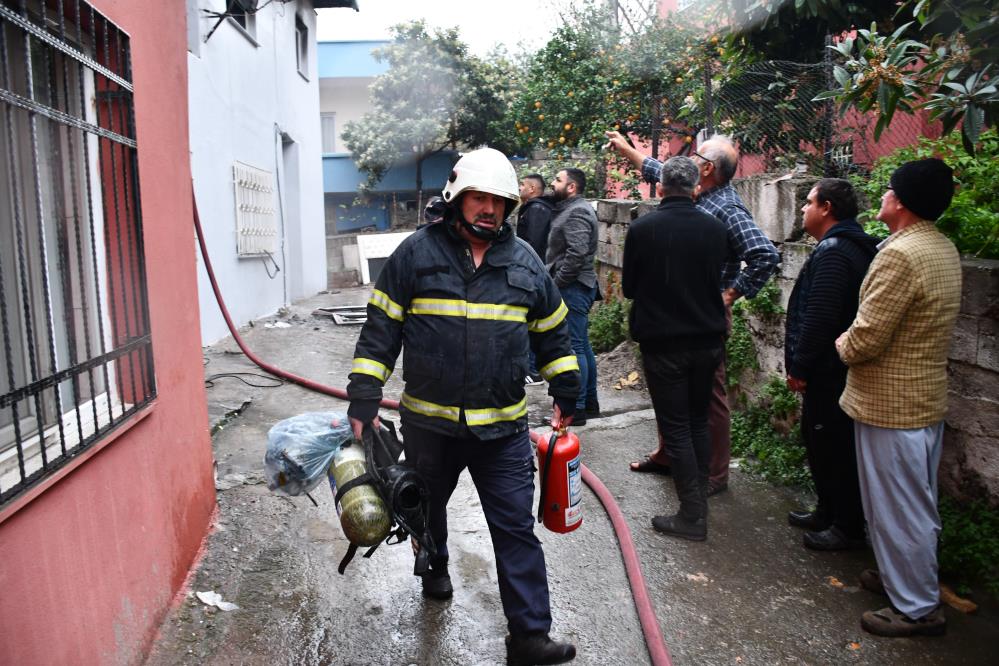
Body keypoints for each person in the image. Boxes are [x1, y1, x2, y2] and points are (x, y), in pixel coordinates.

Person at [346, 147, 581, 665]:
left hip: (501, 430)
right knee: (425, 510)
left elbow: (554, 335)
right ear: (457, 199)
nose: (489, 210)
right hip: (430, 425)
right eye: (480, 198)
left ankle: (529, 637)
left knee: (515, 529)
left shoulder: (526, 264)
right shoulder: (415, 255)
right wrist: (363, 394)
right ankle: (434, 569)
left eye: (498, 202)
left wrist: (568, 391)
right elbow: (381, 329)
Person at [607, 131, 779, 495]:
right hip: (671, 313)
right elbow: (663, 170)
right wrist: (628, 151)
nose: (690, 162)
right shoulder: (696, 193)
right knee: (668, 392)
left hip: (702, 316)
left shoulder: (726, 209)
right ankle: (668, 456)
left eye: (697, 157)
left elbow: (765, 255)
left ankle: (714, 475)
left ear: (708, 169)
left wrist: (729, 295)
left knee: (709, 399)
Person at [834, 158, 961, 637]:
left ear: (901, 202)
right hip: (923, 398)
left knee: (900, 507)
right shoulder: (940, 247)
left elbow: (867, 337)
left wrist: (839, 344)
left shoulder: (900, 254)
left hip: (892, 403)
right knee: (908, 500)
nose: (882, 195)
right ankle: (901, 581)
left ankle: (916, 607)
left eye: (888, 189)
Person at [622, 156, 728, 541]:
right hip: (707, 340)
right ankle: (697, 504)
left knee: (677, 427)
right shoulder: (715, 227)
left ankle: (692, 516)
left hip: (664, 344)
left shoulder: (643, 229)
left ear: (661, 187)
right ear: (695, 187)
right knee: (697, 421)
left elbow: (631, 287)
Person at [784, 178, 877, 551]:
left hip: (828, 370)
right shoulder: (843, 246)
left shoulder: (837, 252)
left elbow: (820, 317)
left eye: (809, 202)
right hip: (831, 367)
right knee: (818, 438)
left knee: (833, 444)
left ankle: (847, 526)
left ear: (827, 208)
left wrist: (800, 366)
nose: (803, 209)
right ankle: (827, 510)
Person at [547, 168, 600, 425]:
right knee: (582, 344)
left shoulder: (576, 211)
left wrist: (556, 285)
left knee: (575, 346)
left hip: (574, 287)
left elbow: (576, 255)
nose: (552, 183)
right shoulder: (572, 208)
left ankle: (577, 408)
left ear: (571, 187)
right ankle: (589, 402)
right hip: (577, 286)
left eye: (558, 180)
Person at [517, 173, 556, 384]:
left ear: (532, 189)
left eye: (522, 184)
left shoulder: (537, 210)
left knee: (531, 321)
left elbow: (533, 245)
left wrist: (528, 274)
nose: (519, 187)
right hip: (532, 274)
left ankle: (533, 370)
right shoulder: (533, 208)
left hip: (532, 275)